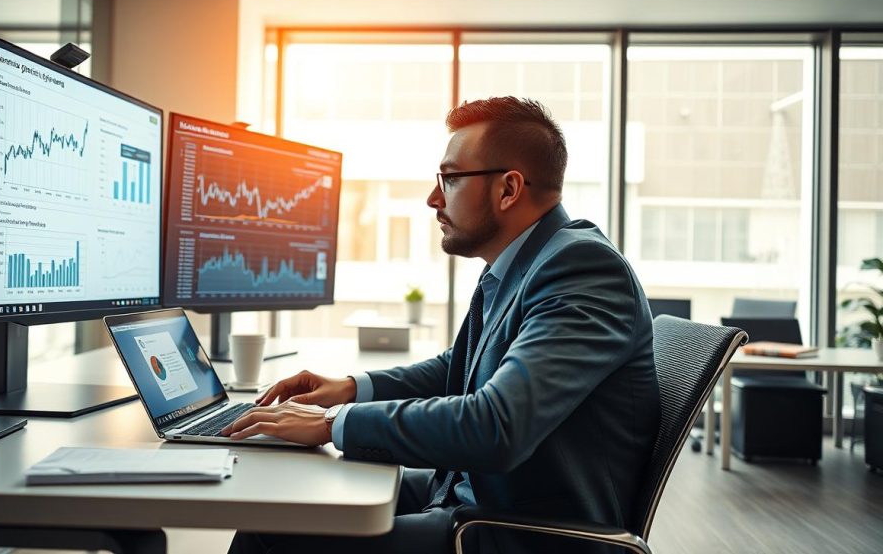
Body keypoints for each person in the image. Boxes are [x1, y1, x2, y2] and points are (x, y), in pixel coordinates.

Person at [222, 96, 661, 554]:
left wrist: (331, 421)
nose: (433, 198)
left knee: (271, 532)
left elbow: (497, 425)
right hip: (474, 498)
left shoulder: (582, 270)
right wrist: (352, 389)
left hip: (518, 534)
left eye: (449, 179)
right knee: (289, 499)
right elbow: (460, 367)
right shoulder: (522, 265)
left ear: (508, 189)